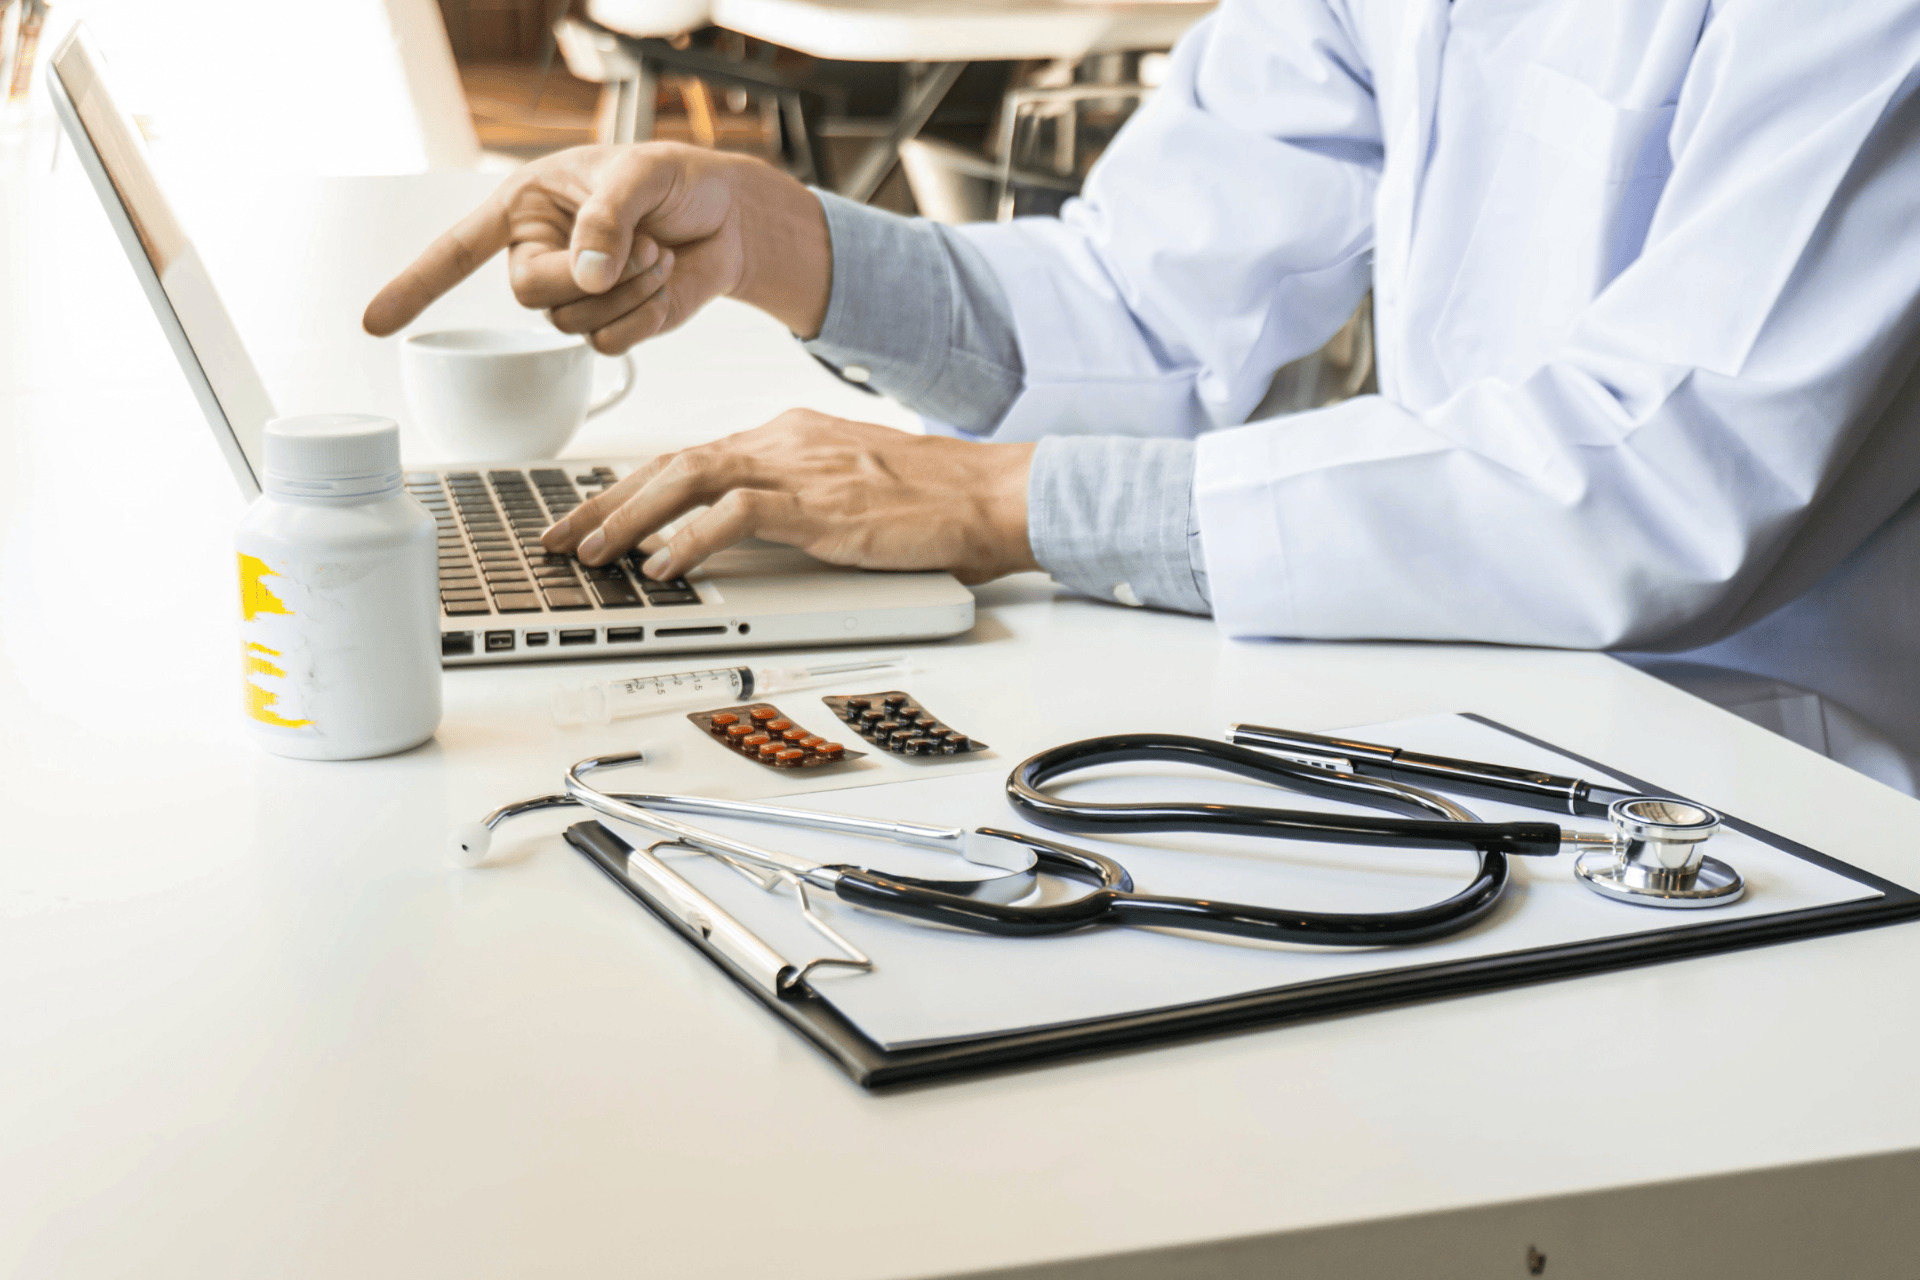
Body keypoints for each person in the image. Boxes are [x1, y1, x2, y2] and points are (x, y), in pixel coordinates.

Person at [366, 0, 1920, 788]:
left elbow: (1672, 481)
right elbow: (1149, 300)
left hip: (1794, 796)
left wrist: (1006, 501)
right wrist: (783, 239)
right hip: (1507, 708)